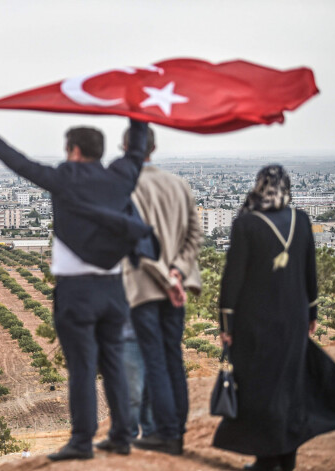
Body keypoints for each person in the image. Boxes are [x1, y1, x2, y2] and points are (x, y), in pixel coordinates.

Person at [0, 107, 154, 461]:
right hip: (114, 291)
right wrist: (137, 112)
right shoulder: (121, 177)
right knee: (113, 361)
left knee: (83, 367)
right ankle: (120, 436)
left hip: (76, 293)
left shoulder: (64, 178)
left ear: (74, 150)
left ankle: (83, 441)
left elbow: (20, 164)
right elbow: (135, 151)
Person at [214, 165, 335, 471]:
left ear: (260, 187)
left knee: (260, 389)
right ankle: (286, 458)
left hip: (255, 324)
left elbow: (231, 280)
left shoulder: (246, 223)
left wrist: (226, 324)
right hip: (294, 318)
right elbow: (309, 273)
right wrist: (312, 313)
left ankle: (266, 458)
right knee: (289, 385)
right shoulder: (301, 220)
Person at [120, 125, 203, 455]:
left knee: (154, 359)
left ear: (127, 146)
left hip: (144, 287)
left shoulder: (125, 187)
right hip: (177, 287)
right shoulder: (179, 184)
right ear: (153, 148)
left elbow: (136, 243)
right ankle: (178, 431)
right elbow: (194, 237)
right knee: (173, 357)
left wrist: (163, 277)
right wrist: (177, 273)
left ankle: (167, 434)